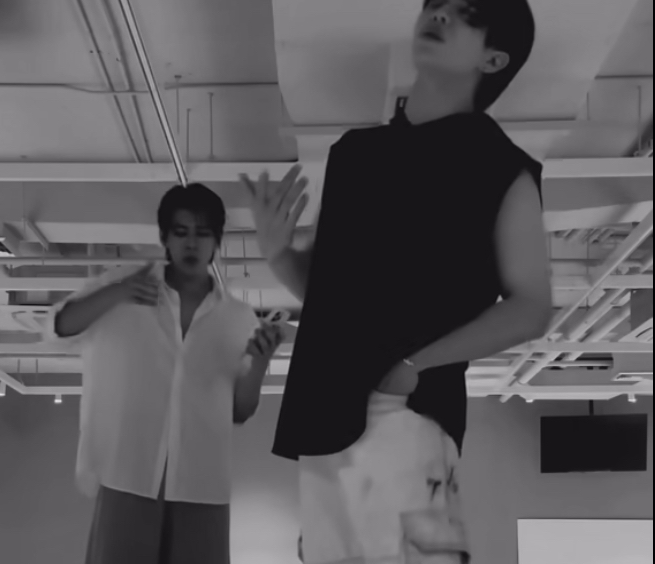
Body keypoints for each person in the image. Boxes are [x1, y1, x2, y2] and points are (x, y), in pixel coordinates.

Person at [242, 0, 553, 562]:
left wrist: (415, 365)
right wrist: (279, 253)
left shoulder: (503, 168)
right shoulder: (354, 155)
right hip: (323, 410)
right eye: (436, 5)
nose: (440, 14)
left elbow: (530, 306)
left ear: (493, 58)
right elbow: (332, 298)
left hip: (407, 409)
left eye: (466, 13)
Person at [45, 184, 285, 564]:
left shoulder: (237, 318)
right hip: (128, 471)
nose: (191, 243)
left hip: (202, 482)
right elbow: (59, 329)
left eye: (202, 233)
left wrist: (259, 363)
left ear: (216, 241)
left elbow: (240, 410)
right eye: (181, 231)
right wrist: (119, 292)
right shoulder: (124, 287)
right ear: (164, 237)